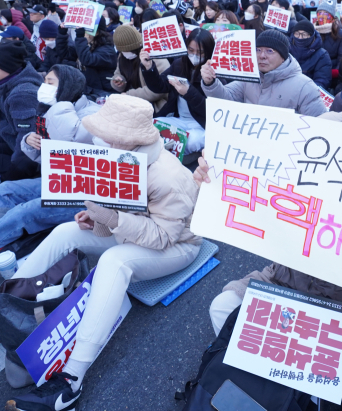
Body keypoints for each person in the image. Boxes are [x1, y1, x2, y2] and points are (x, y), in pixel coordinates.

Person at [194, 117, 342, 397]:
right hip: (283, 288)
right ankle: (264, 372)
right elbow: (242, 206)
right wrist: (213, 181)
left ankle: (298, 391)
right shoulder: (284, 183)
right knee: (222, 306)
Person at [6, 94, 202, 411]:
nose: (102, 138)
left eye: (110, 134)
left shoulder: (168, 175)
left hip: (179, 245)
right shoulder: (116, 154)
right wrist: (98, 220)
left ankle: (71, 380)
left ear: (129, 139)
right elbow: (114, 213)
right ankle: (8, 299)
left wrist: (109, 219)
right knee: (65, 231)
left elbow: (164, 236)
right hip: (134, 230)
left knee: (113, 262)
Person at [0, 66, 100, 248]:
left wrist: (58, 105)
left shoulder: (90, 115)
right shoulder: (53, 110)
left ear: (66, 87)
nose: (43, 87)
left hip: (86, 193)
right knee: (5, 190)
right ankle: (8, 233)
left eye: (50, 83)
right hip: (61, 181)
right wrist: (28, 142)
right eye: (44, 81)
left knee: (25, 212)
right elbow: (53, 159)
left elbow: (72, 136)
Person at [200, 29, 326, 117]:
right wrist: (210, 83)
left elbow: (319, 125)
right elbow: (225, 99)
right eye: (258, 50)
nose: (262, 56)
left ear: (283, 56)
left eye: (270, 51)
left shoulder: (305, 86)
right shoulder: (248, 77)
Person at [140, 28, 213, 155]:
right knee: (151, 125)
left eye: (200, 52)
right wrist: (149, 68)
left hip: (202, 125)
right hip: (179, 120)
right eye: (191, 50)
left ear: (208, 52)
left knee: (191, 142)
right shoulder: (179, 64)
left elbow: (212, 111)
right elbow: (160, 86)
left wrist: (189, 92)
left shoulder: (213, 72)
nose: (194, 55)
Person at [0, 41, 40, 181]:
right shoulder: (9, 81)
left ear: (7, 67)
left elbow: (27, 141)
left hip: (19, 158)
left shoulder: (22, 95)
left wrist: (10, 177)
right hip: (7, 139)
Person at [110, 26, 170, 112]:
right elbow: (118, 73)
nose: (125, 54)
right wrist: (118, 81)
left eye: (129, 50)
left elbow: (159, 90)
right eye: (122, 51)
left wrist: (129, 95)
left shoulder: (155, 57)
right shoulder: (122, 56)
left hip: (154, 107)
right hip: (129, 104)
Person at [57, 18, 118, 95]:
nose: (81, 33)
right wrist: (62, 33)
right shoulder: (87, 45)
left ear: (96, 33)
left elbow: (87, 59)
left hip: (102, 92)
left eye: (84, 31)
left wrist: (80, 37)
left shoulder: (107, 51)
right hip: (87, 90)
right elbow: (65, 54)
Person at [289, 20, 332, 90]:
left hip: (308, 93)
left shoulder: (322, 55)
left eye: (304, 34)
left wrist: (303, 91)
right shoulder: (287, 49)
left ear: (311, 36)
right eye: (297, 33)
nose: (300, 37)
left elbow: (322, 80)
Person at [315, 0, 342, 72]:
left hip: (333, 72)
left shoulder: (341, 34)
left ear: (332, 17)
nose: (322, 16)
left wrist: (334, 73)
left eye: (325, 13)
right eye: (320, 13)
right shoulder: (313, 32)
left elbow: (341, 58)